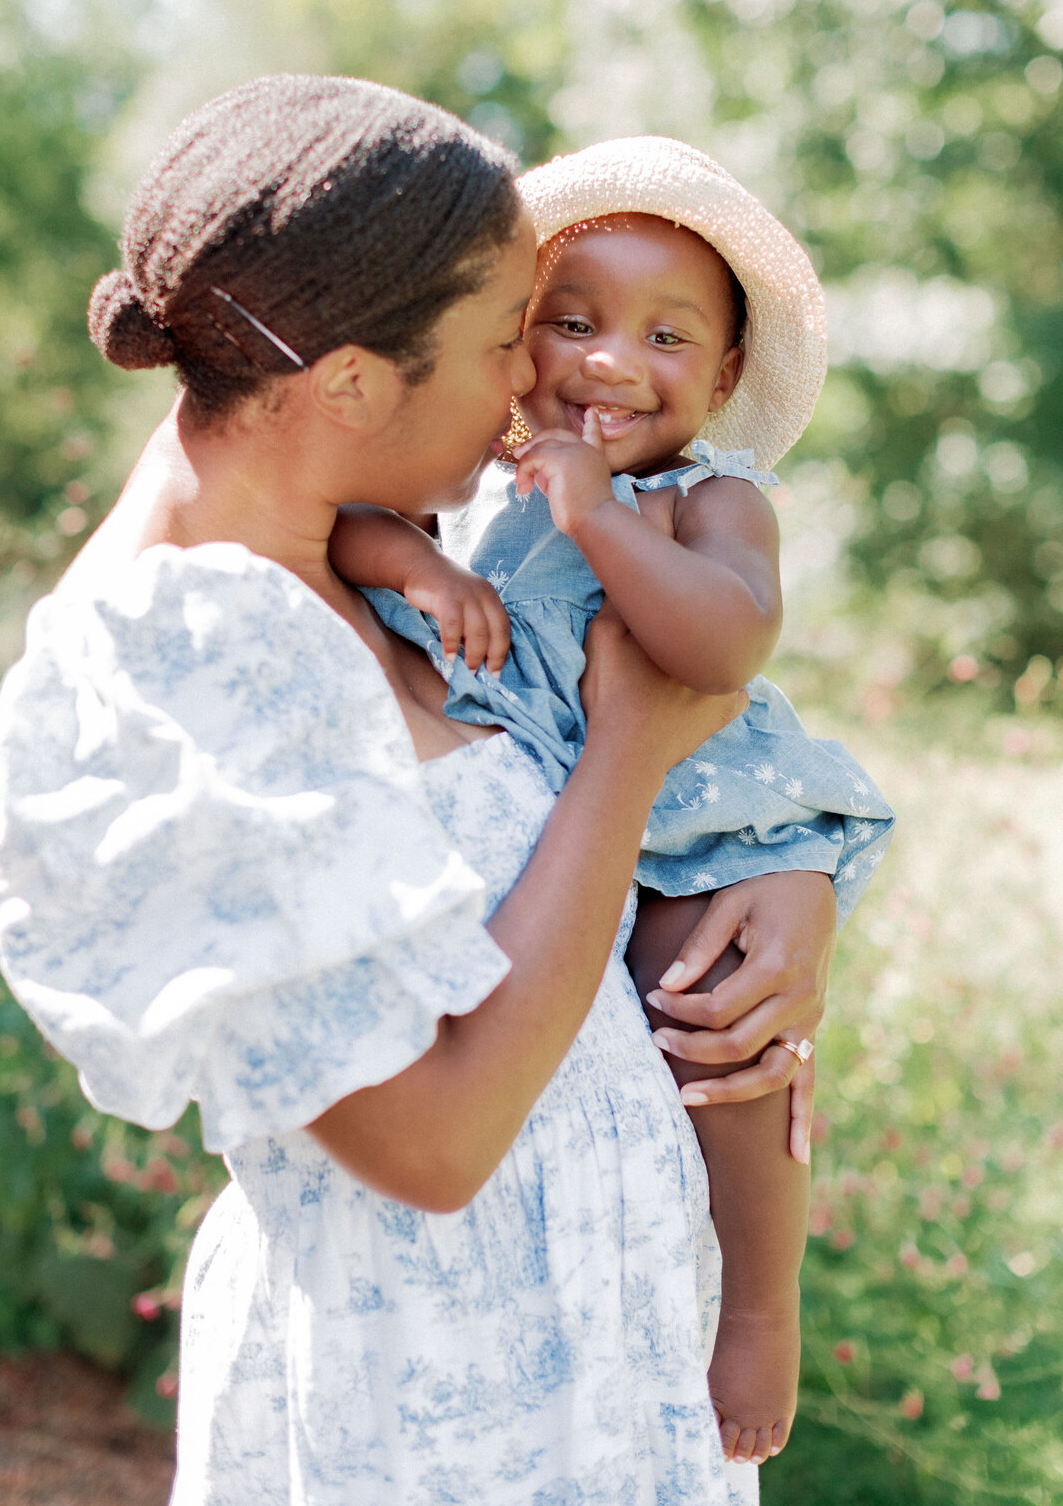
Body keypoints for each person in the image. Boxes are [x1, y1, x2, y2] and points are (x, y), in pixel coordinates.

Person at [0, 78, 839, 1504]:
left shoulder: (385, 561)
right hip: (433, 1420)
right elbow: (431, 1143)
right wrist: (634, 759)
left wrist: (777, 884)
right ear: (355, 384)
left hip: (623, 1361)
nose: (538, 390)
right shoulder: (169, 675)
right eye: (514, 338)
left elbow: (586, 823)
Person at [330, 135, 895, 1464]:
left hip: (700, 820)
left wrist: (599, 520)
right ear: (515, 336)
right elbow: (344, 525)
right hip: (553, 792)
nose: (607, 362)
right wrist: (420, 565)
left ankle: (761, 1302)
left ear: (726, 374)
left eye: (664, 337)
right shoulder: (477, 480)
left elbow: (721, 645)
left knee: (719, 1042)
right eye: (570, 323)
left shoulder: (708, 500)